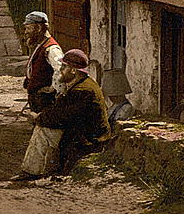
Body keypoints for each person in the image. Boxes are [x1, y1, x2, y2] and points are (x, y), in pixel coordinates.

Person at [12, 49, 111, 180]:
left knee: (42, 129)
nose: (60, 70)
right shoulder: (84, 84)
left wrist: (38, 117)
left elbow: (61, 117)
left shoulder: (82, 91)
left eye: (64, 66)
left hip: (91, 139)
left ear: (74, 70)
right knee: (45, 126)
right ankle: (39, 170)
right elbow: (60, 111)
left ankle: (32, 171)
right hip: (86, 132)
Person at [22, 11, 63, 112]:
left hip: (46, 99)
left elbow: (60, 70)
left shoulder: (52, 49)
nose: (26, 32)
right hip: (37, 97)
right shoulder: (40, 45)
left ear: (39, 28)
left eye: (28, 28)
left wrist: (52, 88)